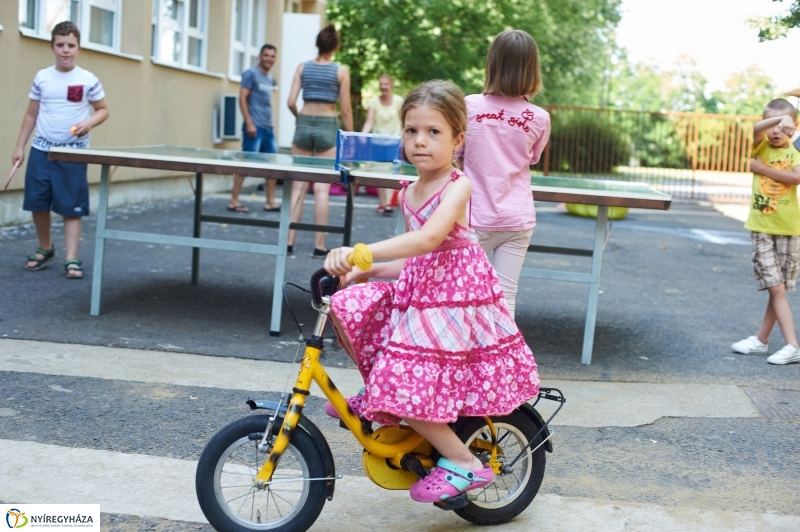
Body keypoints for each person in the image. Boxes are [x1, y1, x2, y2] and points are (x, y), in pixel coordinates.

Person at [322, 80, 540, 503]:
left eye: (433, 132)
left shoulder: (458, 187)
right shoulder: (408, 192)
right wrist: (365, 270)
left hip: (454, 300)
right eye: (411, 131)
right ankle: (383, 393)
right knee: (352, 305)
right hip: (422, 291)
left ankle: (464, 462)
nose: (420, 141)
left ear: (458, 140)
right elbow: (414, 258)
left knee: (410, 381)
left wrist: (361, 253)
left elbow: (429, 239)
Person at [457, 29, 551, 318]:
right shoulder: (540, 118)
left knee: (458, 293)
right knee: (505, 297)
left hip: (474, 218)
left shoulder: (468, 106)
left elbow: (454, 153)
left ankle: (458, 357)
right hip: (517, 219)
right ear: (532, 68)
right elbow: (531, 157)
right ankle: (502, 361)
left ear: (492, 64)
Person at [11, 21, 110, 280]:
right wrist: (20, 146)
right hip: (41, 150)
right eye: (60, 45)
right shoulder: (42, 77)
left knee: (70, 205)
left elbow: (103, 110)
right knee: (38, 201)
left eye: (71, 45)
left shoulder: (87, 79)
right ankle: (45, 248)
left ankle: (72, 257)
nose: (65, 50)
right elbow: (32, 113)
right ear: (52, 47)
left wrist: (89, 122)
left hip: (73, 153)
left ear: (78, 48)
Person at [732, 98, 800, 365]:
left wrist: (761, 169)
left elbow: (797, 178)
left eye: (783, 126)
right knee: (776, 288)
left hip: (790, 228)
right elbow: (758, 126)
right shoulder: (760, 145)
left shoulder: (795, 152)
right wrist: (778, 120)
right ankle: (791, 344)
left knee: (778, 289)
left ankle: (763, 340)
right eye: (773, 124)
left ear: (794, 126)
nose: (775, 132)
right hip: (761, 227)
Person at [286, 23, 353, 257]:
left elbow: (291, 101)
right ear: (335, 46)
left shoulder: (302, 67)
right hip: (327, 125)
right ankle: (318, 245)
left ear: (318, 43)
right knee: (322, 189)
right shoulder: (340, 71)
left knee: (297, 187)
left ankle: (289, 242)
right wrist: (350, 138)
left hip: (304, 122)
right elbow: (345, 109)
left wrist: (300, 119)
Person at [228, 44, 280, 213]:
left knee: (272, 166)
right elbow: (242, 98)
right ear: (259, 56)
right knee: (245, 164)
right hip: (254, 127)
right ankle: (234, 201)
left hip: (268, 128)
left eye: (272, 56)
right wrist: (249, 123)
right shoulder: (251, 74)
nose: (269, 59)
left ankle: (270, 201)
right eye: (266, 55)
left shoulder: (270, 78)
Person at [361, 73, 403, 214]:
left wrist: (406, 136)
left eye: (386, 84)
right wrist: (362, 135)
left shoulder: (398, 101)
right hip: (377, 142)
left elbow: (404, 121)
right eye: (381, 84)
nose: (383, 87)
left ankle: (388, 203)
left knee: (391, 172)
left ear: (391, 85)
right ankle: (382, 203)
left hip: (393, 142)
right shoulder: (373, 102)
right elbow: (370, 121)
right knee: (379, 172)